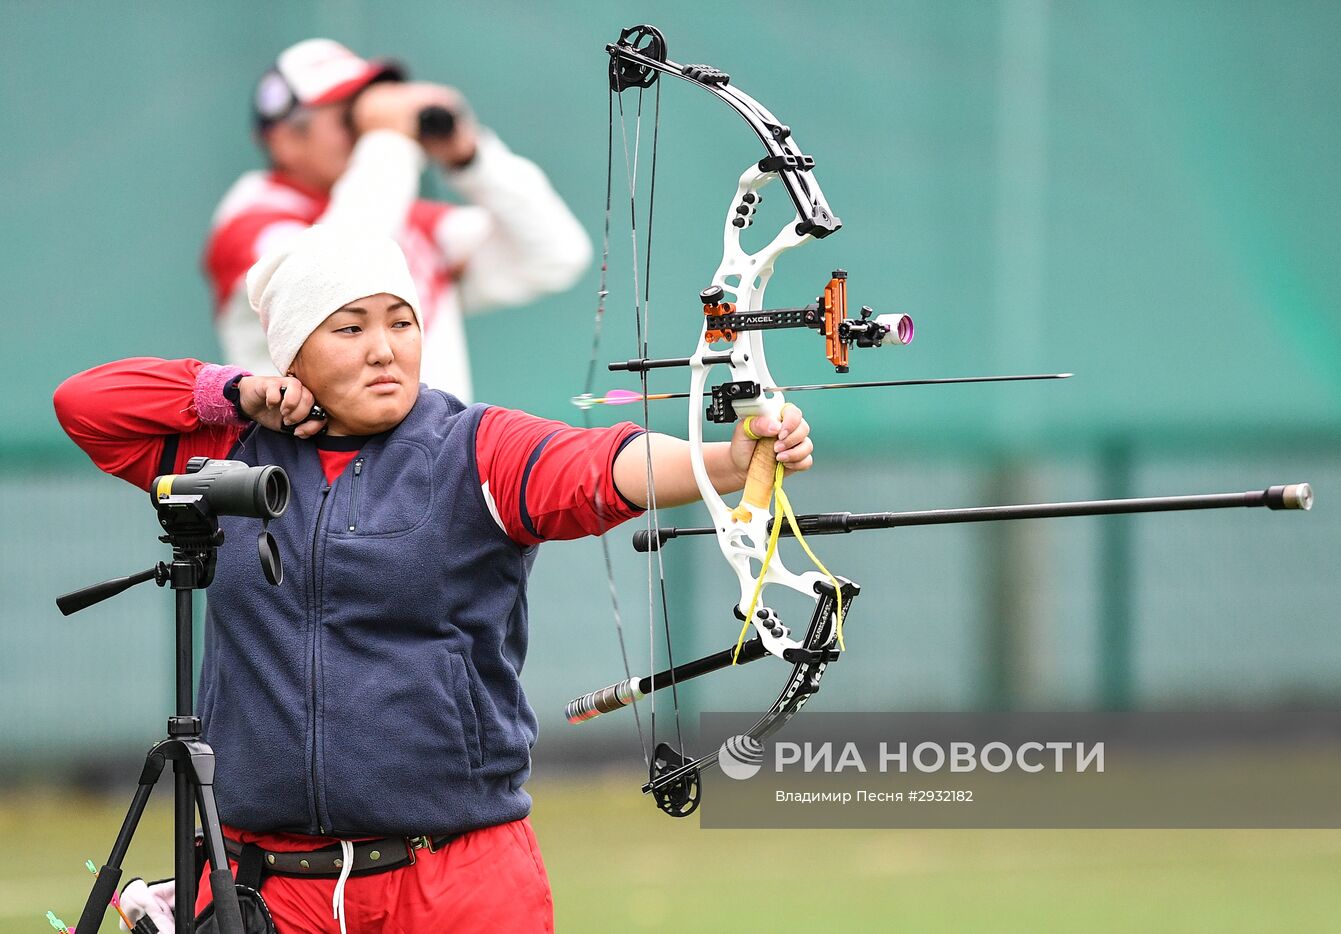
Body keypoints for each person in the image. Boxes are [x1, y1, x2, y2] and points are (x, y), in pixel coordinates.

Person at [53, 226, 815, 934]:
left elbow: (597, 467)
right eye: (349, 328)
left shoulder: (472, 446)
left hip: (456, 879)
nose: (384, 349)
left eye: (401, 321)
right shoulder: (227, 457)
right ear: (292, 355)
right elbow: (85, 405)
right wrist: (231, 391)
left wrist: (725, 460)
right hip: (267, 888)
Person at [207, 38, 591, 402]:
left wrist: (472, 159)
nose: (366, 132)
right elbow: (339, 272)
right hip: (312, 467)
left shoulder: (396, 217)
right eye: (349, 118)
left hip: (434, 462)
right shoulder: (251, 223)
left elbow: (556, 256)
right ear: (284, 139)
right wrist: (388, 141)